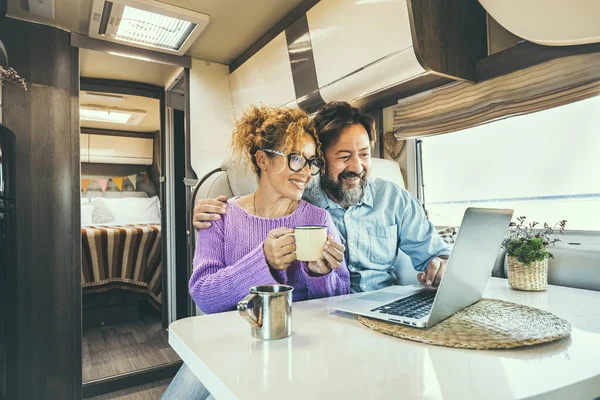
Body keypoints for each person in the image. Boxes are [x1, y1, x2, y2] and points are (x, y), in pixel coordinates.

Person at [161, 105, 350, 399]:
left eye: (311, 162)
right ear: (262, 159)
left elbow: (337, 305)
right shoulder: (221, 217)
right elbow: (204, 295)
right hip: (228, 341)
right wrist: (263, 260)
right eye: (295, 158)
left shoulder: (318, 221)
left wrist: (318, 274)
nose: (305, 173)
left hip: (296, 345)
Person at [193, 101, 451, 293]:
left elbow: (435, 255)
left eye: (364, 154)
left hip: (379, 307)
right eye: (343, 156)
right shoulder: (299, 202)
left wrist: (441, 266)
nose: (357, 167)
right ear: (324, 160)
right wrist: (218, 211)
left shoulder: (389, 198)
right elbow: (267, 200)